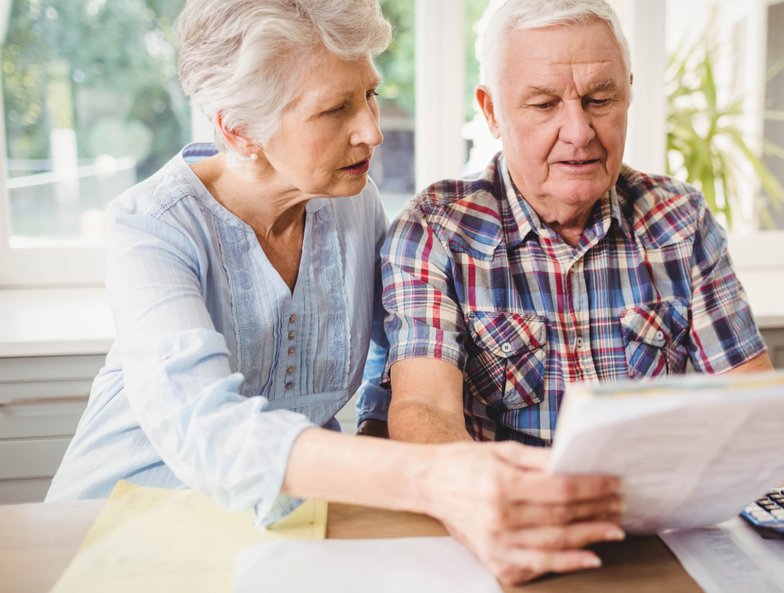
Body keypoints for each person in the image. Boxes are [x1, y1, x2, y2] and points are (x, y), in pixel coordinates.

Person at [45, 0, 625, 585]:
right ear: (239, 130)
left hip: (286, 535)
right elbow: (205, 428)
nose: (372, 129)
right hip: (118, 528)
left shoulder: (353, 203)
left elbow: (389, 356)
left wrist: (379, 439)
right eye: (336, 108)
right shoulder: (150, 226)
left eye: (369, 94)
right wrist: (425, 476)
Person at [379, 0, 774, 446]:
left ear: (628, 93)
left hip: (656, 504)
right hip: (514, 505)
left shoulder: (680, 220)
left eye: (600, 100)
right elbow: (425, 411)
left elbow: (750, 397)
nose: (579, 132)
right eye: (545, 104)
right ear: (491, 112)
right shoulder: (435, 230)